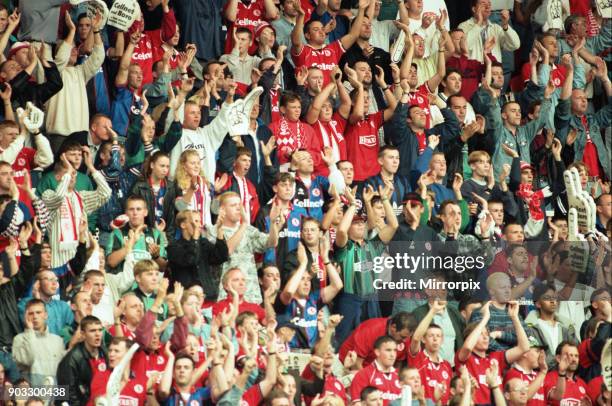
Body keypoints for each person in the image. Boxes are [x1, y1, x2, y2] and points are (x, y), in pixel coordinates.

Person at [56, 315, 108, 406]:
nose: (98, 334)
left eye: (100, 330)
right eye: (92, 331)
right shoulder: (71, 359)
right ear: (83, 334)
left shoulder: (105, 353)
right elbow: (67, 393)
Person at [349, 336, 402, 405]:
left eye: (395, 350)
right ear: (377, 352)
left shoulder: (400, 375)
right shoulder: (363, 375)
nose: (392, 355)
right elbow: (357, 404)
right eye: (388, 350)